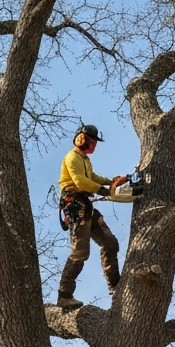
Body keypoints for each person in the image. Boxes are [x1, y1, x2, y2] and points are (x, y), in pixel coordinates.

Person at [57, 124, 128, 309]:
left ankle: (115, 286)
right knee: (81, 252)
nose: (93, 145)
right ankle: (64, 295)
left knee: (110, 241)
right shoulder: (72, 157)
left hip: (86, 205)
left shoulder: (85, 160)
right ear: (81, 139)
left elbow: (92, 177)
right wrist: (104, 190)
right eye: (91, 141)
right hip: (75, 204)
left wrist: (111, 181)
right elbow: (80, 181)